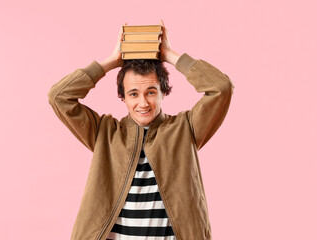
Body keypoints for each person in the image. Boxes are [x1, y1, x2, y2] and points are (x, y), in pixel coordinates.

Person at [47, 21, 234, 240]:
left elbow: (221, 88)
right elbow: (59, 97)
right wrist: (112, 62)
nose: (143, 102)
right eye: (134, 94)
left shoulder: (186, 128)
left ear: (163, 92)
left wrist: (169, 55)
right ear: (123, 97)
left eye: (151, 92)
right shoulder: (104, 132)